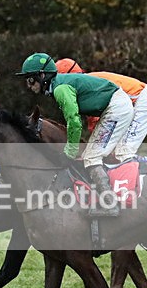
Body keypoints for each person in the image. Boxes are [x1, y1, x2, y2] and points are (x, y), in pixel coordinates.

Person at [18, 52, 135, 217]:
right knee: (90, 155)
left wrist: (70, 151)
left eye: (30, 80)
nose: (29, 85)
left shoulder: (60, 89)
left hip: (117, 108)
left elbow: (74, 121)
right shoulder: (58, 85)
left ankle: (110, 204)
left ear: (42, 76)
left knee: (91, 157)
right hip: (116, 105)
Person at [55, 58, 147, 160]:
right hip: (135, 102)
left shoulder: (85, 87)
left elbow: (97, 124)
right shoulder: (85, 82)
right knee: (101, 152)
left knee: (123, 152)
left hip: (143, 102)